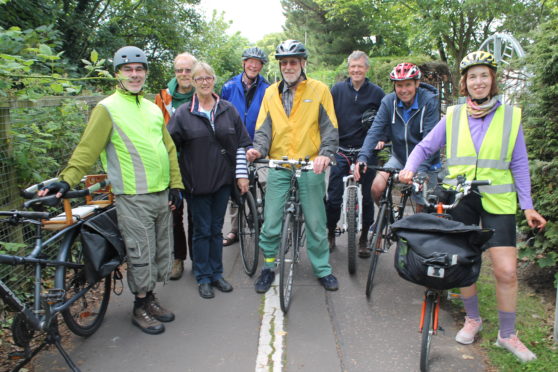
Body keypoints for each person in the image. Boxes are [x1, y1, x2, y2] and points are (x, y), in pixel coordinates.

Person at [399, 51, 547, 362]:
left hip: (499, 199)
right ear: (464, 82)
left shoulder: (510, 117)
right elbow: (426, 146)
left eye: (484, 75)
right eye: (472, 76)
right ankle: (473, 318)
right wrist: (410, 166)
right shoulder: (453, 115)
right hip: (460, 196)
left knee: (506, 271)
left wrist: (528, 205)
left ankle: (507, 335)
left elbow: (519, 163)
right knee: (461, 262)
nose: (478, 81)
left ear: (493, 80)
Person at [38, 46, 184, 335]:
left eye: (139, 69)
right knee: (141, 253)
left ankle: (150, 298)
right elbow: (87, 149)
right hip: (132, 196)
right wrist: (67, 179)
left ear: (145, 73)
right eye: (128, 69)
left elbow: (168, 149)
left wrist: (176, 186)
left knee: (159, 252)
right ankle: (140, 307)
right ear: (118, 73)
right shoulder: (107, 108)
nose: (134, 74)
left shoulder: (154, 108)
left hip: (160, 194)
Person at [246, 40, 339, 293]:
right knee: (271, 220)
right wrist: (258, 150)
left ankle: (322, 269)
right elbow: (263, 128)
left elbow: (330, 128)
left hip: (310, 165)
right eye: (284, 62)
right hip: (279, 164)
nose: (288, 66)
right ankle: (268, 266)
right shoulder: (270, 93)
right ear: (280, 65)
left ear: (303, 64)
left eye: (293, 62)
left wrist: (326, 154)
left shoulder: (319, 90)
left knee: (316, 222)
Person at [168, 62, 252, 299]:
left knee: (216, 229)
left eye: (208, 77)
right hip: (196, 183)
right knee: (201, 230)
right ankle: (203, 276)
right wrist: (174, 180)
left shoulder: (228, 109)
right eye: (199, 78)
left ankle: (217, 273)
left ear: (214, 80)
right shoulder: (184, 113)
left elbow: (242, 143)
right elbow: (169, 147)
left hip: (222, 182)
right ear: (193, 82)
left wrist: (241, 174)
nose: (204, 82)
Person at [354, 63, 440, 213]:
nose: (404, 90)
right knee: (376, 188)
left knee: (422, 205)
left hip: (425, 161)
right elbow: (374, 131)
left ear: (417, 83)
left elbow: (430, 140)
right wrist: (362, 158)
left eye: (408, 84)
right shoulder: (388, 102)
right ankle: (385, 220)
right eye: (399, 85)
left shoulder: (429, 102)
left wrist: (419, 170)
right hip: (399, 157)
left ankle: (414, 232)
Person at [325, 50, 385, 257]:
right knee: (333, 197)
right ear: (348, 69)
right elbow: (328, 118)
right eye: (353, 66)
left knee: (368, 197)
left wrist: (382, 139)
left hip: (365, 152)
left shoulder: (377, 93)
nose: (356, 70)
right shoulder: (338, 90)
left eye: (360, 66)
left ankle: (363, 238)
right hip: (341, 150)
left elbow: (384, 120)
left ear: (366, 69)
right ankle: (331, 233)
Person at [220, 47, 270, 247]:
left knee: (267, 182)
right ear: (244, 63)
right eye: (250, 61)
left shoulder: (268, 88)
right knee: (236, 186)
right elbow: (221, 113)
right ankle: (235, 229)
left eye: (258, 63)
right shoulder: (229, 86)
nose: (253, 65)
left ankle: (266, 222)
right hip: (236, 144)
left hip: (260, 144)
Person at [155, 52, 198, 280]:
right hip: (170, 163)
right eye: (179, 70)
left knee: (196, 214)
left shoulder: (202, 94)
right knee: (174, 213)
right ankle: (178, 258)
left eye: (188, 70)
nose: (183, 74)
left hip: (197, 162)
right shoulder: (163, 98)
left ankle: (197, 260)